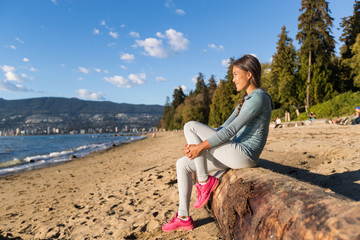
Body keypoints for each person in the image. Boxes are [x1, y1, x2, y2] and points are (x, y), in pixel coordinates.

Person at [161, 54, 273, 232]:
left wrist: (200, 147)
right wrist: (195, 147)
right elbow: (222, 128)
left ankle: (204, 182)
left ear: (249, 74)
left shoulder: (259, 98)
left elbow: (231, 131)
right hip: (233, 152)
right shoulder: (244, 101)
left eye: (236, 74)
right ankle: (183, 217)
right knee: (182, 164)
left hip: (244, 154)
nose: (233, 79)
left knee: (190, 126)